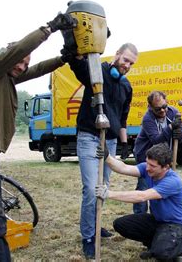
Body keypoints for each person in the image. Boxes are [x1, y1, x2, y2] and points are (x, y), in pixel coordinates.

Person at [0, 13, 76, 261]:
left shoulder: (5, 78)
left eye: (25, 63)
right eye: (20, 61)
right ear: (7, 56)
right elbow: (22, 49)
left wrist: (62, 59)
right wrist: (50, 28)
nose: (22, 66)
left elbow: (35, 70)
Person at [66, 43, 138, 259]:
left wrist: (125, 144)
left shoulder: (126, 86)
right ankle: (88, 236)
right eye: (125, 60)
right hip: (89, 136)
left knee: (103, 187)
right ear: (117, 54)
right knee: (91, 188)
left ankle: (95, 224)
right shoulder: (98, 72)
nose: (127, 65)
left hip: (112, 141)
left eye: (132, 63)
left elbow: (122, 118)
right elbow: (79, 68)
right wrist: (73, 52)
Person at [95, 143, 182, 260]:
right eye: (147, 163)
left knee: (161, 254)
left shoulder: (172, 182)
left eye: (152, 166)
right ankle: (157, 243)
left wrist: (109, 194)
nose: (147, 168)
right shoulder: (148, 169)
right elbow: (124, 168)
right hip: (157, 221)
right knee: (120, 224)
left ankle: (178, 250)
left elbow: (142, 196)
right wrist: (108, 157)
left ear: (166, 167)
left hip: (175, 225)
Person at [132, 91, 182, 214]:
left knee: (163, 187)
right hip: (145, 156)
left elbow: (181, 133)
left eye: (164, 107)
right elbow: (156, 139)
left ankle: (159, 216)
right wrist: (171, 128)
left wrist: (180, 134)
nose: (162, 111)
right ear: (150, 107)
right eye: (158, 109)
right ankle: (139, 216)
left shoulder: (173, 112)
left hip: (163, 158)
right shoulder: (147, 119)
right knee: (144, 187)